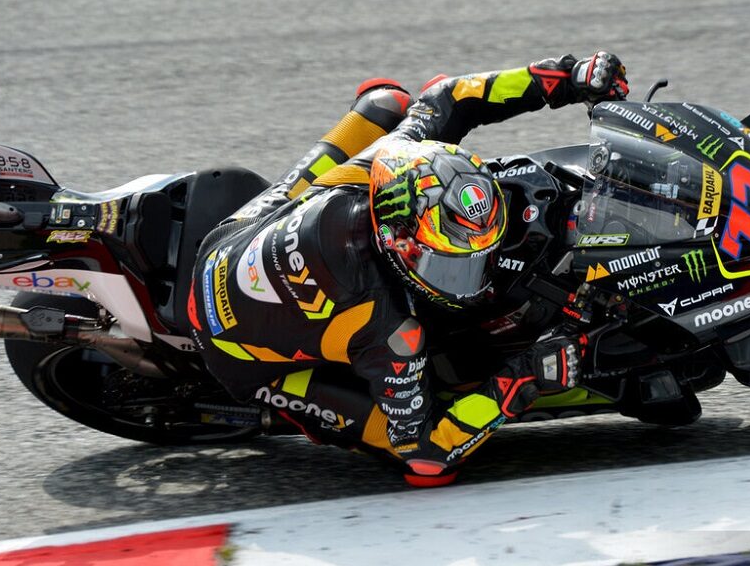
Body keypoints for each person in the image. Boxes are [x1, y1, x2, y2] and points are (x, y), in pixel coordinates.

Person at [187, 51, 629, 485]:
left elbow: (450, 96)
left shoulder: (390, 158)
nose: (469, 285)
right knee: (403, 439)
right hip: (235, 352)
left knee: (389, 103)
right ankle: (287, 402)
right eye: (448, 265)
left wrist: (564, 78)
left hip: (230, 240)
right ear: (398, 241)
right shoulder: (391, 331)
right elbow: (427, 458)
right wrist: (520, 379)